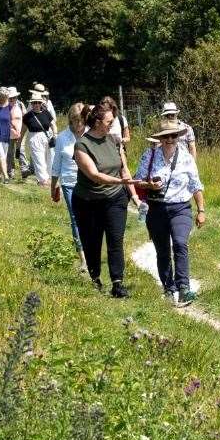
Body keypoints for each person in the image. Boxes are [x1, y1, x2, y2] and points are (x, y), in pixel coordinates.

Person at [73, 101, 142, 297]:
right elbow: (94, 175)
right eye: (109, 121)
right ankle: (95, 278)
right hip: (88, 202)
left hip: (115, 199)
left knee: (115, 239)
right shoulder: (82, 145)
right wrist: (120, 181)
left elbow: (124, 169)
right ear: (96, 122)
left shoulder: (114, 140)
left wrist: (134, 194)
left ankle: (117, 283)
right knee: (92, 241)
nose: (112, 125)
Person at [135, 118, 206, 305]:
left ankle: (184, 288)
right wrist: (149, 184)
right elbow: (138, 181)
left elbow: (195, 184)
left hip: (181, 207)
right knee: (163, 250)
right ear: (161, 138)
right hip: (156, 208)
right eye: (166, 136)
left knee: (181, 244)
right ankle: (168, 288)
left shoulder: (186, 158)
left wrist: (201, 209)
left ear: (178, 137)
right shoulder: (149, 156)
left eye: (173, 136)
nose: (170, 139)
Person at [50, 103, 87, 261]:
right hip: (69, 182)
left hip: (88, 182)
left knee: (90, 217)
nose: (78, 124)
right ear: (70, 120)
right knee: (75, 218)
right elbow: (56, 163)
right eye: (75, 121)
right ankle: (83, 257)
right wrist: (53, 186)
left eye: (81, 120)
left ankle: (91, 248)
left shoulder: (91, 135)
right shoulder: (62, 138)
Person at [22, 90, 57, 184]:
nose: (36, 104)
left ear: (41, 103)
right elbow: (23, 131)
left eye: (38, 102)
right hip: (34, 138)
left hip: (47, 137)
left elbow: (53, 125)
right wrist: (19, 145)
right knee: (39, 159)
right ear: (31, 103)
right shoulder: (27, 116)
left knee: (50, 158)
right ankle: (43, 180)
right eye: (34, 103)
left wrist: (55, 136)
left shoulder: (46, 113)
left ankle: (49, 178)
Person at [6, 87, 27, 181]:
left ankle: (24, 171)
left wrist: (21, 131)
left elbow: (25, 117)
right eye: (10, 98)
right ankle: (10, 172)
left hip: (20, 132)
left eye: (14, 97)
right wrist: (12, 128)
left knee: (21, 151)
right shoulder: (4, 106)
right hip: (8, 133)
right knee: (9, 153)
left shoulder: (20, 104)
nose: (12, 99)